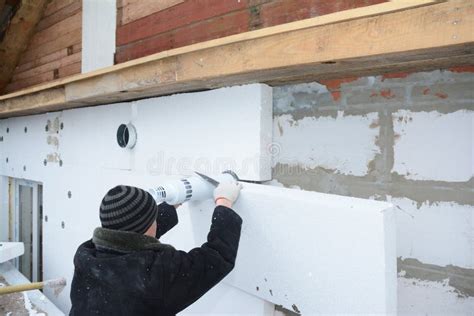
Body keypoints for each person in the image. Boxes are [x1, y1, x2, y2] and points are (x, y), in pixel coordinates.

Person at [70, 180, 243, 316]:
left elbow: (132, 233)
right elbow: (215, 257)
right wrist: (223, 202)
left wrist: (174, 201)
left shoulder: (87, 255)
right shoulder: (155, 273)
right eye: (153, 219)